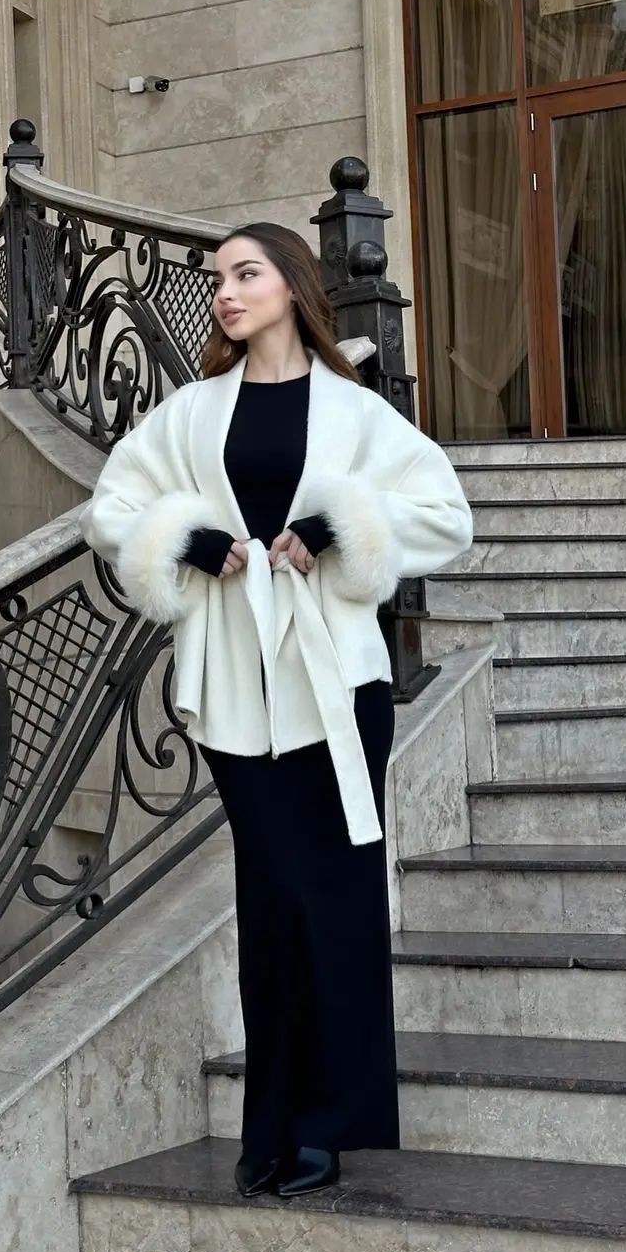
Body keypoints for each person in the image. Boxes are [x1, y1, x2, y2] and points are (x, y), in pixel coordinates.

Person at [78, 221, 473, 1199]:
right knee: (272, 897)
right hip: (233, 690)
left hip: (336, 687)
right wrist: (188, 538)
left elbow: (446, 516)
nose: (225, 291)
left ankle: (324, 1128)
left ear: (291, 285)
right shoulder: (192, 412)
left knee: (331, 898)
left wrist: (336, 527)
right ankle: (274, 1122)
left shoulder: (354, 410)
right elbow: (113, 508)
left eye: (245, 273)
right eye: (218, 277)